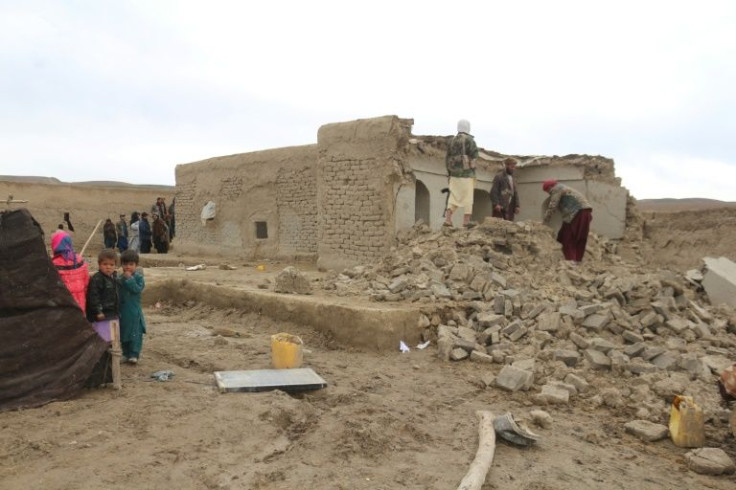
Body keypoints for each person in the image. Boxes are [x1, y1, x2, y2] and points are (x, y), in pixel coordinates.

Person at [542, 179, 593, 264]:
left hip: (577, 212)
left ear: (550, 187)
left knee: (567, 237)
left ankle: (570, 261)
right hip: (584, 212)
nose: (548, 193)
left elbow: (553, 204)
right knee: (579, 237)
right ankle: (577, 260)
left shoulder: (557, 188)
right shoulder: (564, 188)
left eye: (547, 190)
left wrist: (545, 219)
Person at [443, 119, 479, 228]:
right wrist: (472, 169)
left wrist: (449, 173)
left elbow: (447, 158)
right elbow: (474, 156)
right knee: (468, 198)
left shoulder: (452, 141)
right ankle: (466, 222)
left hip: (454, 175)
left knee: (453, 198)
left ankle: (448, 220)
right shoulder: (470, 140)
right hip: (466, 175)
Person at [118, 250, 146, 364]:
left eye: (131, 264)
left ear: (136, 265)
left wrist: (130, 279)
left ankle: (134, 354)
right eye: (125, 264)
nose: (128, 267)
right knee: (123, 332)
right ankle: (125, 353)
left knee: (135, 333)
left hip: (134, 312)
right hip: (123, 311)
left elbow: (136, 289)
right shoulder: (120, 278)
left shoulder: (139, 278)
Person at [51, 231, 90, 313]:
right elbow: (86, 281)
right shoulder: (79, 260)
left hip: (64, 304)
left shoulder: (54, 264)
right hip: (80, 301)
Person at [86, 249, 119, 323]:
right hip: (101, 315)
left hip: (112, 313)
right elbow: (93, 297)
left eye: (111, 265)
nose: (108, 267)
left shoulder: (115, 277)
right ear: (99, 264)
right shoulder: (97, 279)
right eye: (105, 264)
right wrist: (98, 311)